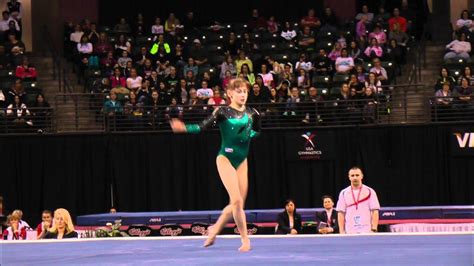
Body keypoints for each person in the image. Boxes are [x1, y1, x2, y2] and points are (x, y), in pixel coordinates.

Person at [170, 78, 260, 252]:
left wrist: (249, 134)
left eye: (245, 91)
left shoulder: (253, 113)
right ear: (230, 94)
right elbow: (202, 127)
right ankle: (245, 240)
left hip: (242, 160)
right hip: (225, 158)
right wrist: (185, 128)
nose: (242, 95)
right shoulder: (222, 112)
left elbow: (258, 132)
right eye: (239, 91)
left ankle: (214, 230)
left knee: (237, 204)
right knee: (236, 201)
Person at [336, 167, 380, 234]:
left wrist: (374, 229)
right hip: (350, 230)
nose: (355, 178)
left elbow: (375, 211)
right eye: (352, 175)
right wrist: (341, 231)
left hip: (367, 230)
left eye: (357, 175)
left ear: (362, 176)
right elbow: (341, 213)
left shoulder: (370, 191)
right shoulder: (343, 193)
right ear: (349, 177)